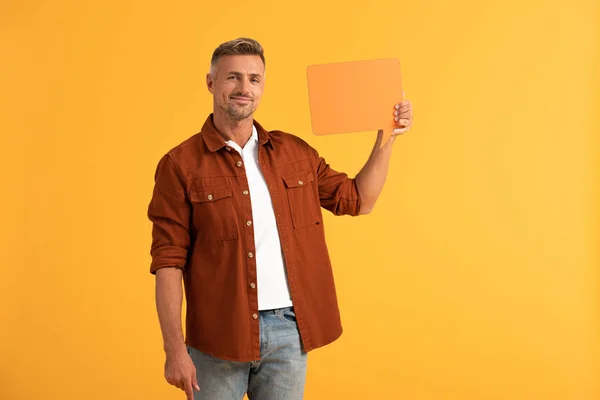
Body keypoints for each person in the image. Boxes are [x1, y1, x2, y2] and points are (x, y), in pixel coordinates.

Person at [147, 37, 413, 400]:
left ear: (263, 86)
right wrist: (174, 349)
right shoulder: (180, 165)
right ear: (211, 82)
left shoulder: (295, 154)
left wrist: (388, 136)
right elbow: (168, 262)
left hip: (289, 332)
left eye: (254, 79)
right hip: (217, 339)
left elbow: (359, 199)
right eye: (233, 78)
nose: (244, 88)